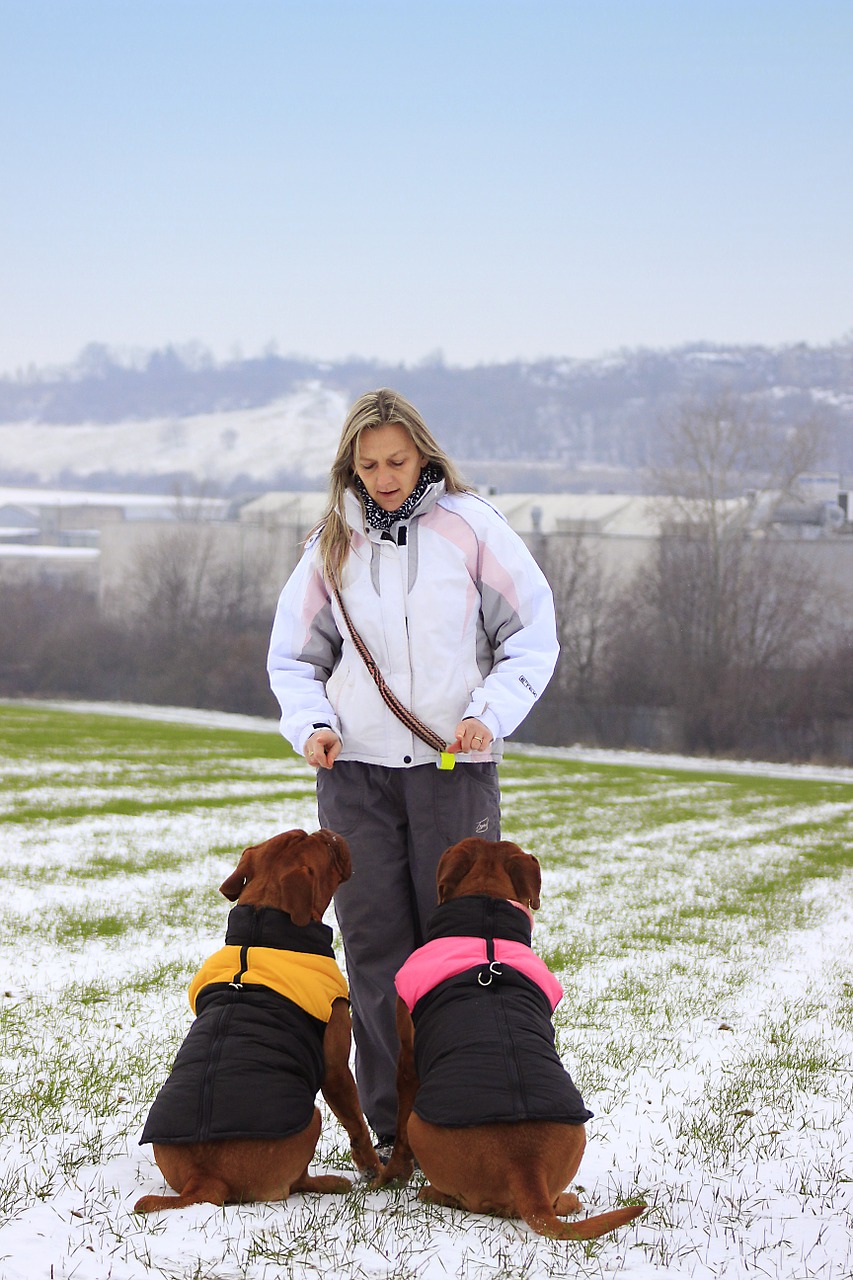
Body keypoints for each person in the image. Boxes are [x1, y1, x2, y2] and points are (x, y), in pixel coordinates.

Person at [266, 388, 559, 1154]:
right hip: (355, 775)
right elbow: (295, 658)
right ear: (349, 467)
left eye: (395, 461)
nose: (383, 477)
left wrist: (489, 713)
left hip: (451, 767)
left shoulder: (473, 529)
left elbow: (530, 636)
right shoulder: (328, 546)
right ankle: (396, 1132)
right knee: (373, 951)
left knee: (461, 947)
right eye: (367, 465)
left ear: (422, 455)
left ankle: (466, 1114)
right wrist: (314, 725)